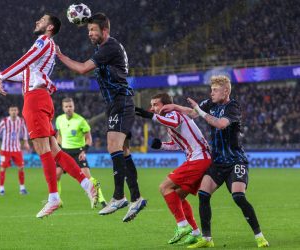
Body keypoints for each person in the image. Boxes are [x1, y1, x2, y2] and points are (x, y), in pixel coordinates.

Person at [0, 14, 98, 219]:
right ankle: (87, 184)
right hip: (41, 99)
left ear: (50, 27)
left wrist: (2, 76)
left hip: (35, 100)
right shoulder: (46, 48)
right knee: (55, 151)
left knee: (43, 150)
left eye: (42, 20)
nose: (37, 21)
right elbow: (25, 73)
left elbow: (24, 61)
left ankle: (53, 197)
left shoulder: (43, 41)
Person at [56, 13, 146, 222]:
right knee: (123, 151)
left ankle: (118, 197)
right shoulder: (103, 48)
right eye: (88, 30)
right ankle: (136, 197)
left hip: (120, 102)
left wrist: (61, 56)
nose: (90, 34)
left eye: (93, 30)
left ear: (105, 31)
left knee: (113, 146)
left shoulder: (109, 47)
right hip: (116, 103)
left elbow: (82, 69)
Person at [161, 75, 269, 248]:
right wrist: (174, 106)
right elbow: (192, 113)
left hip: (235, 161)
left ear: (225, 91)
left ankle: (259, 236)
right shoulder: (210, 103)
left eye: (215, 90)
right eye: (211, 90)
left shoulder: (232, 107)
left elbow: (220, 124)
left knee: (238, 197)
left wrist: (200, 110)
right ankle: (207, 239)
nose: (211, 93)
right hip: (218, 162)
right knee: (203, 196)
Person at [135, 93, 211, 245]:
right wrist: (161, 145)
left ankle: (182, 226)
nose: (152, 108)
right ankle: (195, 232)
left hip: (199, 159)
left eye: (156, 104)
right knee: (178, 196)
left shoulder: (174, 113)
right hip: (199, 159)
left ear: (166, 104)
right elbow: (177, 144)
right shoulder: (170, 120)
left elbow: (175, 123)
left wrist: (151, 117)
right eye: (152, 105)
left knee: (164, 187)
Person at [55, 97, 107, 208]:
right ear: (63, 108)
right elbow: (59, 136)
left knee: (88, 177)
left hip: (78, 152)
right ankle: (56, 201)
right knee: (56, 175)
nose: (68, 108)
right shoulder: (59, 120)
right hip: (64, 152)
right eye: (66, 106)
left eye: (70, 106)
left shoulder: (81, 121)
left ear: (74, 107)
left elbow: (89, 139)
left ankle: (102, 199)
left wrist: (84, 151)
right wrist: (58, 148)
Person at [0, 105, 30, 195]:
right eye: (12, 110)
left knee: (21, 167)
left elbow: (24, 131)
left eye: (15, 110)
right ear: (9, 112)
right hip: (5, 149)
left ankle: (22, 188)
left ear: (18, 111)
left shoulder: (21, 121)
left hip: (16, 149)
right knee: (3, 168)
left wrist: (26, 142)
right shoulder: (5, 121)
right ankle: (1, 189)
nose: (13, 112)